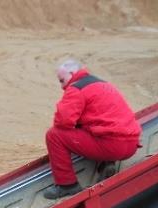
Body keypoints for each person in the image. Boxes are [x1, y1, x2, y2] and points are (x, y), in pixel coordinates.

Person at [44, 59, 142, 199]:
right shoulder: (102, 83)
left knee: (54, 135)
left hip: (112, 145)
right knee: (94, 127)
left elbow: (62, 122)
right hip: (132, 144)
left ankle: (67, 185)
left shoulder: (76, 88)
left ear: (72, 74)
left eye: (62, 80)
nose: (62, 86)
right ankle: (107, 163)